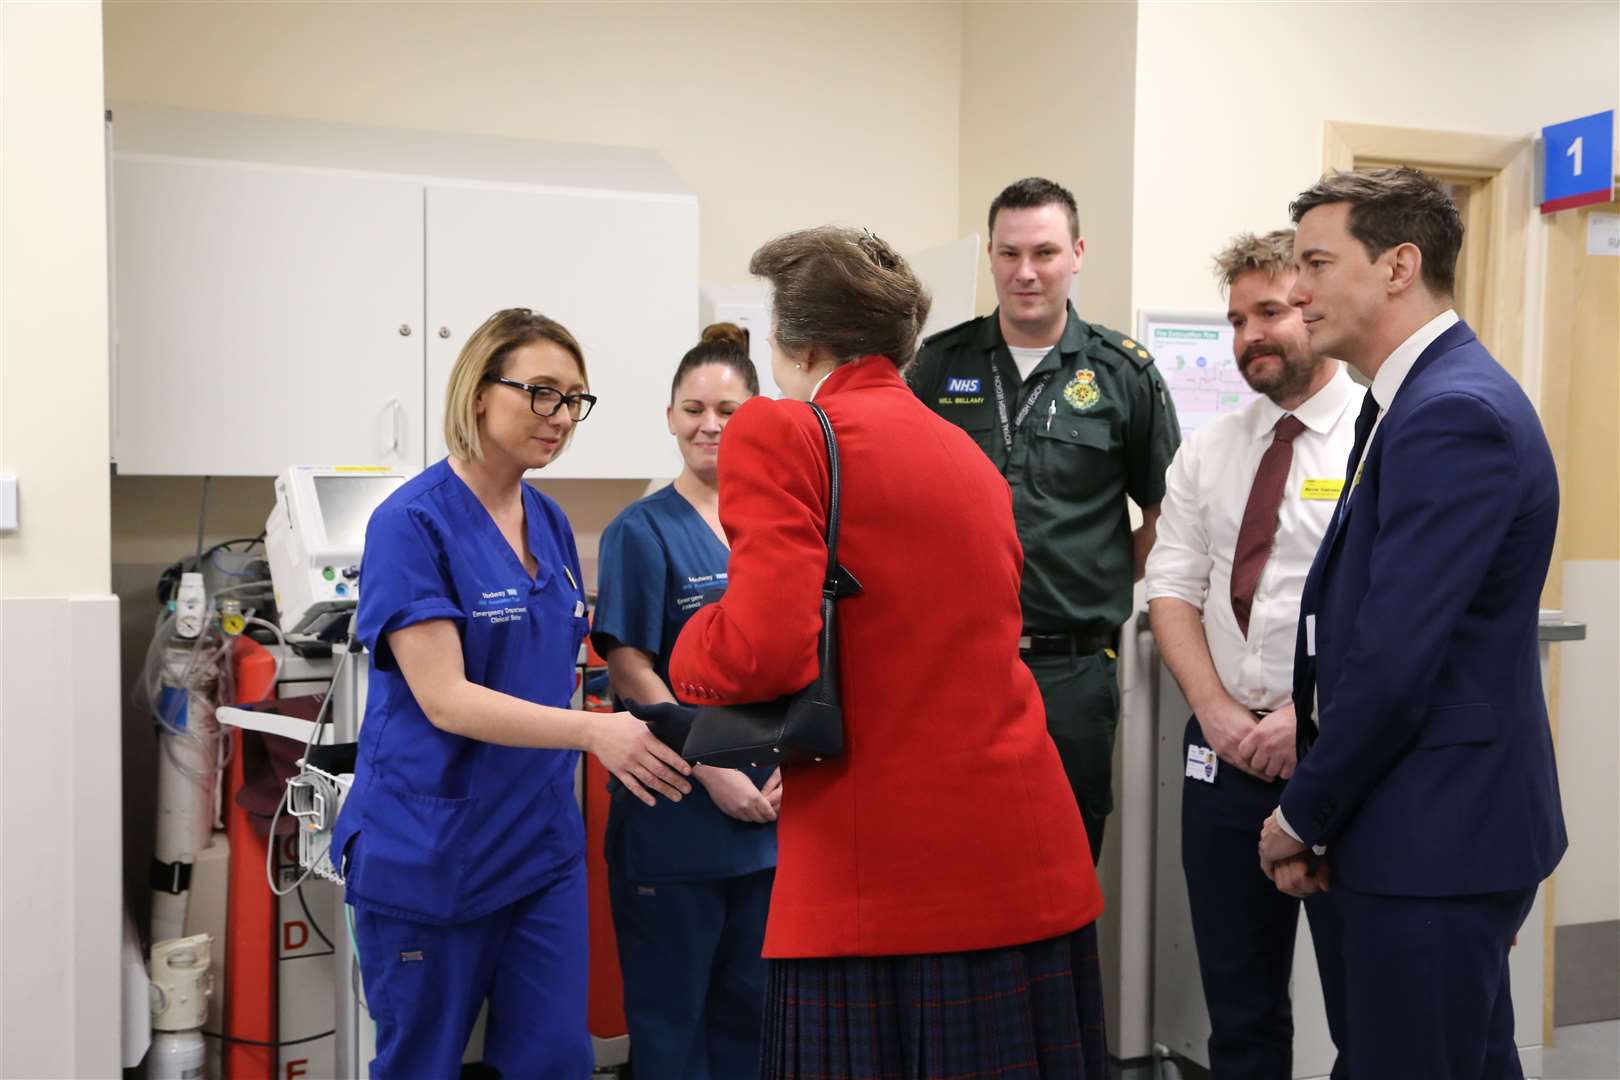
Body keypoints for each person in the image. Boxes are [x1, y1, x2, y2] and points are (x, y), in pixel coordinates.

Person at [669, 226, 1107, 1079]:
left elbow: (761, 651)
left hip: (883, 882)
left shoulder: (784, 431)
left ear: (799, 341)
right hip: (1026, 862)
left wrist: (690, 643)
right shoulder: (968, 455)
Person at [1258, 168, 1566, 1079]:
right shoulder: (1410, 400)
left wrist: (1304, 816)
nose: (1297, 290)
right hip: (1426, 826)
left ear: (1399, 264)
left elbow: (1393, 663)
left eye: (1317, 262)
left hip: (1437, 835)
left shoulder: (1451, 413)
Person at [329, 308, 693, 1078]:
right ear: (477, 393)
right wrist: (596, 732)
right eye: (540, 392)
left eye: (573, 399)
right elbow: (446, 699)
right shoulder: (411, 523)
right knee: (422, 1061)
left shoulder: (551, 521)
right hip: (431, 850)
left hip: (537, 847)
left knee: (555, 1060)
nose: (559, 416)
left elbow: (554, 659)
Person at [908, 176, 1181, 860]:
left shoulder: (1123, 374)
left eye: (1045, 253)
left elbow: (1166, 509)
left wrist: (1105, 570)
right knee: (954, 860)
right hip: (952, 667)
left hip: (1071, 672)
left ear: (1077, 254)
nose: (1025, 272)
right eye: (1008, 254)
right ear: (992, 257)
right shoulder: (938, 367)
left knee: (1061, 865)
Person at [1145, 229, 1362, 1078]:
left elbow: (1387, 618)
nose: (1248, 339)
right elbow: (1171, 587)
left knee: (1364, 1012)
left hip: (1340, 760)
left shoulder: (1375, 440)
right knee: (1238, 1012)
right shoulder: (1212, 449)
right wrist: (1217, 712)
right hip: (1224, 756)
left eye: (1268, 312)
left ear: (1310, 307)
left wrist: (1305, 724)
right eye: (1235, 321)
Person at [591, 323, 778, 1080]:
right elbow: (628, 664)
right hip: (677, 804)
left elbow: (806, 657)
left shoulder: (777, 526)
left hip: (770, 810)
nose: (710, 425)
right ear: (669, 416)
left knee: (755, 1011)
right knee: (672, 1024)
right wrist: (711, 764)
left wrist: (791, 762)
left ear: (756, 416)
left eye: (729, 410)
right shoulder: (641, 530)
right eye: (693, 407)